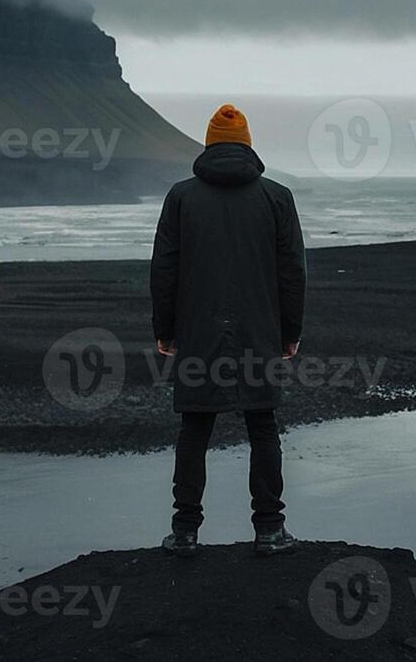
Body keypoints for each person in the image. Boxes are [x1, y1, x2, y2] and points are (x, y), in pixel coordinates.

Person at [150, 103, 307, 557]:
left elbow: (164, 268)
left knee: (195, 427)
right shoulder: (276, 197)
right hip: (260, 332)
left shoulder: (181, 197)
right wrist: (289, 332)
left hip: (198, 331)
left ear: (209, 144)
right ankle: (270, 530)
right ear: (248, 145)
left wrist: (166, 329)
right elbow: (292, 271)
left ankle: (184, 532)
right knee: (263, 425)